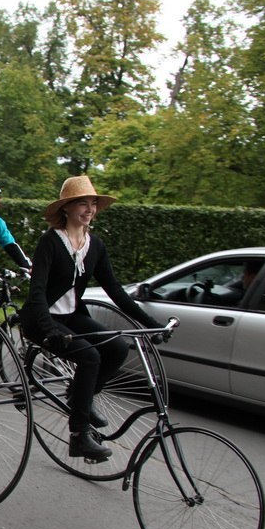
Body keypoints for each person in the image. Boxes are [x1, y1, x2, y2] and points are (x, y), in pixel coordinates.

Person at [20, 175, 163, 462]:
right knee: (89, 357)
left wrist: (149, 323)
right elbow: (36, 293)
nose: (90, 209)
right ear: (67, 209)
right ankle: (79, 436)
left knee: (118, 348)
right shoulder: (50, 242)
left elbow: (117, 292)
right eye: (83, 204)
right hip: (41, 321)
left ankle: (79, 398)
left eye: (93, 204)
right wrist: (48, 330)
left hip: (71, 316)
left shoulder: (94, 245)